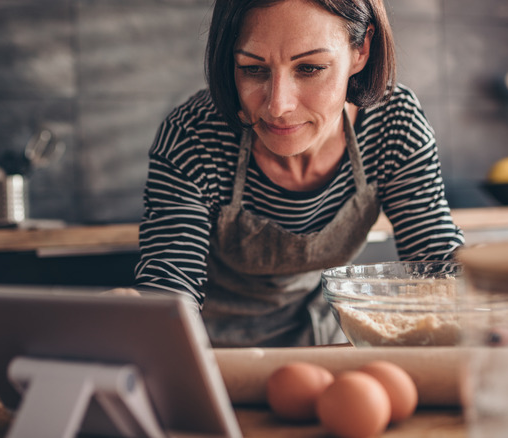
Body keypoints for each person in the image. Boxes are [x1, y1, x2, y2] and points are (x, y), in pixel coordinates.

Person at [124, 0, 465, 348]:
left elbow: (435, 260)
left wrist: (497, 290)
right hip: (213, 350)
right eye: (253, 69)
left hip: (328, 342)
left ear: (361, 50)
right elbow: (170, 286)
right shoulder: (193, 136)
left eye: (311, 68)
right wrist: (128, 311)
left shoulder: (393, 126)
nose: (278, 106)